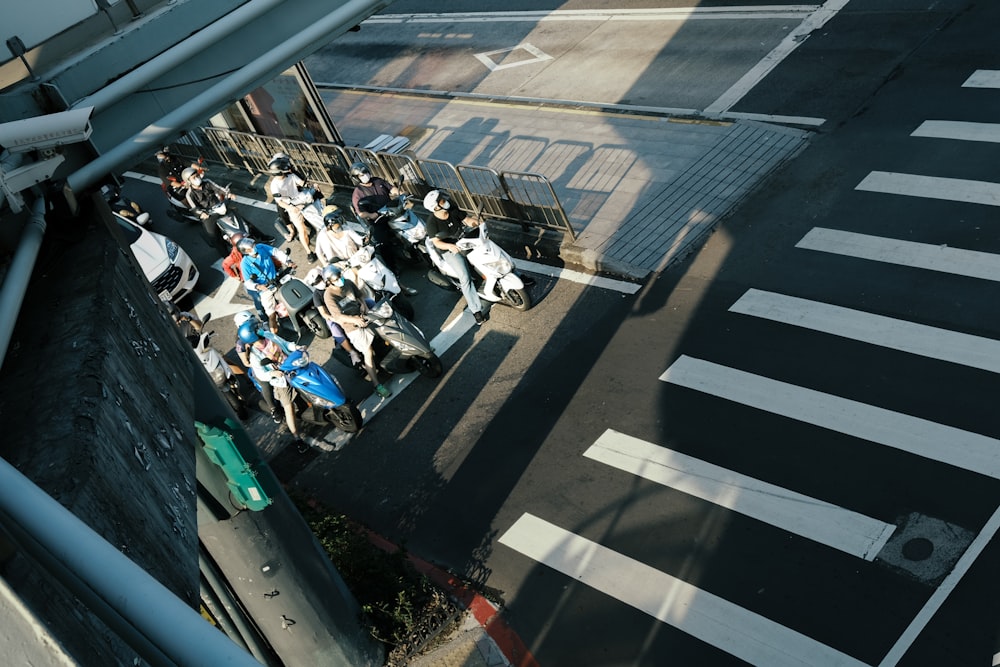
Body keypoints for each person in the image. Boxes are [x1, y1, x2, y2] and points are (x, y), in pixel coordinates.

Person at [238, 322, 317, 452]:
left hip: (293, 366)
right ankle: (297, 438)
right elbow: (261, 375)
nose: (260, 329)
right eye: (256, 328)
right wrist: (273, 373)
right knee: (288, 408)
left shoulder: (269, 335)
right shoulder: (254, 356)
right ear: (252, 335)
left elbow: (285, 344)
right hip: (281, 381)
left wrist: (297, 347)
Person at [321, 265, 391, 398]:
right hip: (352, 327)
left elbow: (360, 296)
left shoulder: (347, 282)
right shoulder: (328, 295)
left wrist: (363, 306)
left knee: (387, 331)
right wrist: (355, 320)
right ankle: (377, 385)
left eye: (340, 276)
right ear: (329, 281)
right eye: (337, 278)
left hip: (364, 316)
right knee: (368, 351)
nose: (340, 279)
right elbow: (338, 316)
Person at [422, 189, 489, 324]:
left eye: (443, 198)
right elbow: (436, 242)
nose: (445, 201)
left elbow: (466, 220)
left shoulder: (452, 207)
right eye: (441, 200)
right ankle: (475, 310)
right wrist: (449, 246)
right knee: (465, 277)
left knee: (489, 250)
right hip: (450, 250)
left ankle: (516, 274)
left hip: (464, 241)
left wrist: (477, 223)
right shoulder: (432, 223)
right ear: (435, 207)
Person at [303, 268, 364, 367]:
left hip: (349, 305)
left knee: (369, 302)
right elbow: (323, 313)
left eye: (319, 279)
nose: (320, 283)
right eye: (316, 283)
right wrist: (336, 319)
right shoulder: (317, 295)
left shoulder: (335, 281)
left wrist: (362, 303)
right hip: (335, 316)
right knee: (334, 328)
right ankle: (352, 352)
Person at [233, 311, 281, 424]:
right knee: (264, 383)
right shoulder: (240, 343)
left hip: (276, 357)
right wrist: (261, 362)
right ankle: (273, 408)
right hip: (262, 366)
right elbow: (246, 362)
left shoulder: (261, 328)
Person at [239, 236, 294, 335]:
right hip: (265, 289)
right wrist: (258, 286)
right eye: (251, 246)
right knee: (272, 315)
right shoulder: (245, 264)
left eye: (253, 244)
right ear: (246, 251)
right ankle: (275, 339)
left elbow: (276, 252)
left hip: (278, 280)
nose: (254, 247)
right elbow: (248, 283)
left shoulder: (261, 247)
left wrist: (288, 261)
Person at [267, 153, 316, 262]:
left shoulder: (291, 176)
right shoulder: (274, 185)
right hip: (292, 207)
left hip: (301, 200)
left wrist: (309, 183)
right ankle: (309, 252)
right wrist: (290, 208)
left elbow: (302, 183)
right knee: (302, 230)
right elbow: (280, 202)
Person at [223, 233, 265, 319]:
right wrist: (235, 276)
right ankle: (263, 317)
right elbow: (225, 265)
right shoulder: (234, 255)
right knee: (258, 298)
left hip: (263, 274)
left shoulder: (254, 248)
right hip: (250, 279)